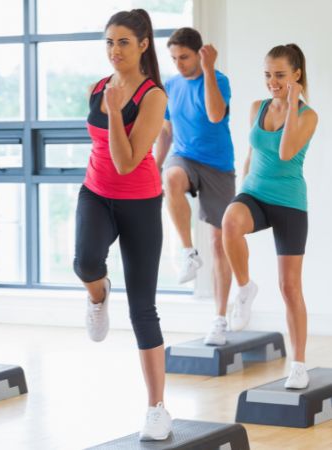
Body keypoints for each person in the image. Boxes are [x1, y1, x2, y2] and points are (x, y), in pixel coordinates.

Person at [74, 9, 171, 441]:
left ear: (144, 44)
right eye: (109, 43)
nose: (115, 51)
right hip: (96, 193)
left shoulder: (153, 96)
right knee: (85, 263)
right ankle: (98, 296)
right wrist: (108, 107)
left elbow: (128, 160)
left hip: (140, 204)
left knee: (142, 310)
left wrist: (115, 113)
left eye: (124, 43)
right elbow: (100, 150)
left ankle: (156, 409)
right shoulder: (98, 88)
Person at [222, 44, 317, 389]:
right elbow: (252, 152)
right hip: (256, 193)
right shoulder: (255, 108)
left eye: (279, 75)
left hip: (290, 202)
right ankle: (245, 288)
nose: (272, 82)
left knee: (289, 287)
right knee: (230, 222)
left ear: (296, 75)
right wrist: (241, 189)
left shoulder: (308, 116)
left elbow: (286, 150)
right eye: (267, 74)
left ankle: (299, 363)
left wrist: (291, 105)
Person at [155, 27, 236, 345]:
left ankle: (219, 319)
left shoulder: (218, 79)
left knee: (220, 242)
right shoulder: (171, 85)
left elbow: (216, 115)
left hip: (217, 165)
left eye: (184, 57)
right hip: (184, 157)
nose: (178, 64)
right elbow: (166, 132)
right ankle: (189, 253)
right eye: (173, 58)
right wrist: (155, 166)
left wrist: (208, 70)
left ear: (199, 53)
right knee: (170, 179)